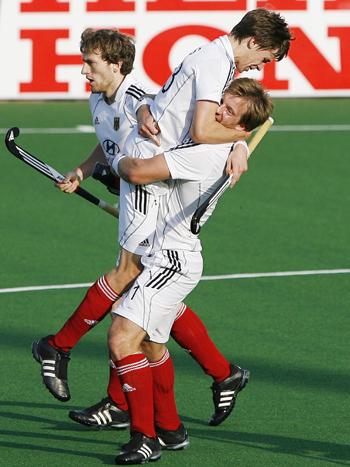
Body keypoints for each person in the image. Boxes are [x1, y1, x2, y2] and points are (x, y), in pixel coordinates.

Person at [32, 7, 291, 438]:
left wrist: (236, 139)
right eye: (263, 58)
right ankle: (169, 406)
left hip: (154, 177)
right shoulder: (214, 61)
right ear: (252, 41)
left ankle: (68, 355)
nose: (261, 68)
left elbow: (200, 125)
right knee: (141, 298)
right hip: (150, 176)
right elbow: (205, 127)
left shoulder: (215, 63)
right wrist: (242, 138)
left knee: (137, 289)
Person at [108, 77, 273, 464]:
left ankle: (143, 437)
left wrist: (113, 160)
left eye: (228, 112)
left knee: (121, 338)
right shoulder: (218, 144)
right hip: (168, 256)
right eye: (221, 103)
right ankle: (169, 429)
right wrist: (235, 142)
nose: (216, 112)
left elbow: (135, 173)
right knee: (150, 344)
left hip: (172, 262)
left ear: (242, 127)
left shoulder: (205, 155)